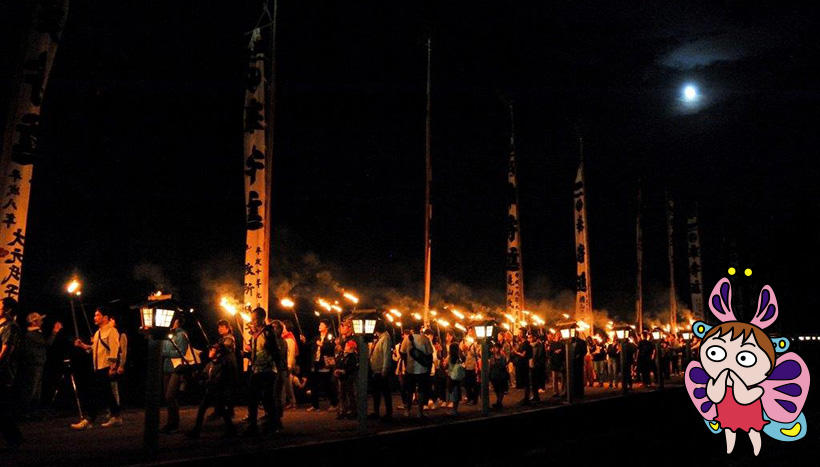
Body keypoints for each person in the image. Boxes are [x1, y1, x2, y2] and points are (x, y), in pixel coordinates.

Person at [71, 307, 122, 430]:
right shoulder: (98, 332)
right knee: (106, 393)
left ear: (105, 317)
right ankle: (115, 416)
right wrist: (82, 345)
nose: (95, 317)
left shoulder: (112, 331)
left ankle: (90, 419)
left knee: (96, 393)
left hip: (105, 367)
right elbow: (94, 348)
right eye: (95, 315)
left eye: (98, 315)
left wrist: (112, 367)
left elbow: (114, 349)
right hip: (98, 367)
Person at [186, 343, 236, 438]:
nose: (210, 351)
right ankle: (197, 430)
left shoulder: (223, 365)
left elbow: (219, 380)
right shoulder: (210, 364)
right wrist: (197, 375)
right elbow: (205, 375)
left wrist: (206, 382)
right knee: (204, 409)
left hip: (218, 392)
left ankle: (231, 430)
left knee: (221, 410)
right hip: (211, 391)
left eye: (212, 350)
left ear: (218, 354)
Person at [243, 307, 279, 435]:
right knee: (252, 398)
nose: (253, 321)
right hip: (256, 369)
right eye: (252, 319)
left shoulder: (268, 332)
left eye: (255, 319)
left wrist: (278, 368)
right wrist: (247, 354)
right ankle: (253, 425)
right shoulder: (255, 334)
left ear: (261, 318)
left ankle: (273, 424)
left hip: (267, 370)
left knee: (267, 398)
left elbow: (274, 351)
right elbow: (255, 351)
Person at [19, 312, 61, 414]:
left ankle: (32, 410)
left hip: (36, 363)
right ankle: (27, 411)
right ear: (34, 322)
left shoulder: (34, 333)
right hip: (35, 363)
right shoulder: (33, 334)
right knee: (33, 388)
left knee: (36, 387)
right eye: (39, 320)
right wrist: (55, 332)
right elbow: (47, 343)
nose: (41, 322)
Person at [157, 315, 188, 433]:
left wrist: (164, 353)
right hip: (166, 368)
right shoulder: (168, 334)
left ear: (178, 322)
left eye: (173, 320)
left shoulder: (182, 335)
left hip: (177, 368)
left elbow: (181, 352)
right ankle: (170, 423)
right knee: (168, 397)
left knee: (170, 396)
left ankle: (174, 424)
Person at [0, 297, 23, 447]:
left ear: (8, 309)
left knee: (2, 407)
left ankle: (14, 438)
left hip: (3, 371)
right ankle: (13, 438)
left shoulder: (11, 327)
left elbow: (6, 349)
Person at [399, 323, 433, 417]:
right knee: (421, 390)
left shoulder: (407, 339)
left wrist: (407, 363)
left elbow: (402, 353)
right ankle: (419, 411)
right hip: (422, 369)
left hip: (410, 369)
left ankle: (407, 411)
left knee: (409, 390)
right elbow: (429, 354)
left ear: (412, 330)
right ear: (421, 329)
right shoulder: (425, 339)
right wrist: (429, 368)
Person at [308, 320, 338, 412]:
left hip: (325, 363)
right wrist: (304, 341)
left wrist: (322, 345)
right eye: (319, 324)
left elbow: (332, 349)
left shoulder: (330, 337)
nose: (319, 326)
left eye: (322, 324)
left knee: (327, 384)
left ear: (327, 327)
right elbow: (310, 346)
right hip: (316, 363)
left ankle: (334, 403)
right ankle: (315, 405)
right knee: (313, 385)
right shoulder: (316, 337)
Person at [369, 321, 393, 420]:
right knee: (376, 393)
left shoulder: (385, 338)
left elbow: (386, 355)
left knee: (385, 392)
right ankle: (376, 412)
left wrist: (384, 369)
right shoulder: (380, 338)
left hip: (381, 370)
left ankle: (388, 413)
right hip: (376, 369)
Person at [269, 320, 288, 429]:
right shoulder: (277, 341)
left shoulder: (280, 341)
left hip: (279, 370)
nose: (272, 330)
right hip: (279, 370)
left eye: (275, 328)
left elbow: (278, 356)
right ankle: (275, 418)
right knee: (275, 395)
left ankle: (276, 420)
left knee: (275, 395)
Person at [333, 339, 358, 419]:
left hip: (348, 378)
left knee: (350, 394)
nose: (345, 347)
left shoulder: (352, 356)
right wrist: (337, 370)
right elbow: (338, 363)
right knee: (342, 395)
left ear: (351, 348)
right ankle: (343, 411)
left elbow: (351, 367)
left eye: (347, 346)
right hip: (342, 378)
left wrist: (343, 371)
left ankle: (352, 411)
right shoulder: (342, 355)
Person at [109, 317, 127, 408]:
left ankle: (116, 409)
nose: (110, 321)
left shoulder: (121, 334)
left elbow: (123, 351)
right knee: (110, 387)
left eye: (112, 320)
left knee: (114, 387)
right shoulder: (109, 333)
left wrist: (121, 365)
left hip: (116, 363)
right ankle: (112, 409)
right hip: (109, 363)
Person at [512, 327, 532, 404]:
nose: (518, 334)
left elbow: (523, 354)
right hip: (521, 365)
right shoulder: (522, 343)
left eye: (520, 332)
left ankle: (526, 398)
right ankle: (525, 397)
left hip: (524, 365)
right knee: (524, 381)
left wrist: (516, 352)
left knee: (526, 381)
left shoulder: (526, 344)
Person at [281, 321, 298, 409]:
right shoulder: (284, 338)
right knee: (286, 384)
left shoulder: (290, 340)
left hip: (287, 364)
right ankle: (290, 402)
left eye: (283, 327)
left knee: (286, 384)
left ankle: (289, 402)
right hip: (284, 364)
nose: (282, 329)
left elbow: (291, 354)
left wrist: (289, 365)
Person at [488, 341, 509, 409]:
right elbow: (490, 366)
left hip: (501, 375)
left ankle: (499, 403)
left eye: (497, 348)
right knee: (496, 389)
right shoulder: (492, 357)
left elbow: (504, 365)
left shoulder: (503, 357)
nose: (495, 349)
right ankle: (499, 403)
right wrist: (490, 375)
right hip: (494, 376)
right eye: (495, 348)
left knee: (501, 389)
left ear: (500, 348)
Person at [460, 330, 478, 405]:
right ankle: (469, 398)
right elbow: (464, 354)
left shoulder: (475, 343)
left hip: (473, 366)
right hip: (467, 365)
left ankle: (474, 400)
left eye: (471, 332)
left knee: (473, 384)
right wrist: (464, 349)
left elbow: (476, 354)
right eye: (469, 332)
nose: (469, 333)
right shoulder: (465, 342)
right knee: (467, 384)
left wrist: (470, 348)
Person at [445, 342, 462, 415]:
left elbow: (447, 365)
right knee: (456, 392)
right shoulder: (458, 357)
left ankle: (454, 410)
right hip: (457, 377)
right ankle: (455, 409)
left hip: (452, 376)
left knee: (453, 392)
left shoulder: (451, 357)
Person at [529, 332, 546, 402]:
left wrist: (536, 363)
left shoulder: (539, 346)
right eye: (528, 338)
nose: (529, 339)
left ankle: (536, 396)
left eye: (530, 337)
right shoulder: (529, 346)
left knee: (535, 381)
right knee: (532, 382)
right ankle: (534, 395)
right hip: (531, 365)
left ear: (534, 338)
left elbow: (540, 356)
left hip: (537, 366)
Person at [549, 333, 565, 397]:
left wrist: (561, 350)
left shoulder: (562, 343)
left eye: (560, 335)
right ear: (555, 336)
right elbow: (550, 353)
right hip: (554, 362)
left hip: (561, 362)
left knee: (563, 378)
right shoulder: (552, 344)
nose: (559, 336)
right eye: (558, 335)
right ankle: (555, 392)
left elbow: (564, 351)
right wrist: (555, 352)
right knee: (554, 378)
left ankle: (563, 391)